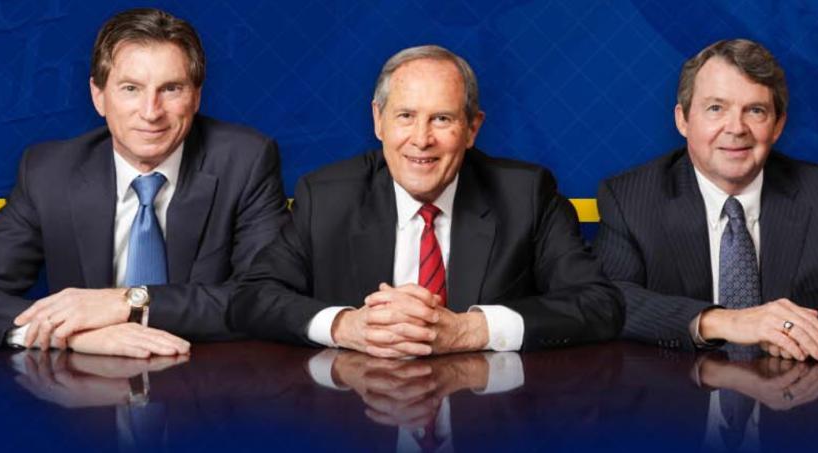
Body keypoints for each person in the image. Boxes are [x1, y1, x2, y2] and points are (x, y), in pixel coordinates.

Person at [0, 8, 288, 357]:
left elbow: (266, 297)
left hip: (208, 386)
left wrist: (127, 304)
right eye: (131, 88)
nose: (151, 112)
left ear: (195, 96)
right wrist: (67, 335)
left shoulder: (246, 160)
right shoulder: (49, 172)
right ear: (98, 96)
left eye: (171, 88)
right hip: (86, 392)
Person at [228, 45, 622, 357]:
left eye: (442, 119)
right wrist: (345, 326)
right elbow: (251, 297)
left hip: (488, 422)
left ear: (472, 128)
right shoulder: (327, 195)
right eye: (405, 116)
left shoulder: (527, 195)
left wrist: (470, 330)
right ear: (378, 121)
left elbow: (600, 305)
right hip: (355, 420)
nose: (421, 139)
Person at [594, 39, 818, 360]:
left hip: (801, 410)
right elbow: (606, 300)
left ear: (778, 125)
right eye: (716, 108)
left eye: (755, 110)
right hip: (678, 412)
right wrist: (725, 322)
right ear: (683, 120)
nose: (736, 128)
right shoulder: (630, 198)